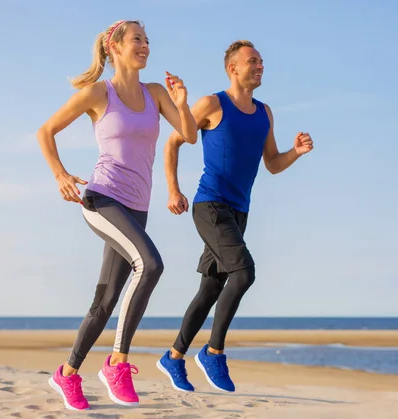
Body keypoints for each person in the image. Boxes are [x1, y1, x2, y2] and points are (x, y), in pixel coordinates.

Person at [36, 20, 197, 410]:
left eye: (147, 40)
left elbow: (190, 135)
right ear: (115, 48)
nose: (145, 45)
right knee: (151, 264)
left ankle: (68, 374)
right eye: (137, 39)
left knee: (105, 300)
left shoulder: (154, 93)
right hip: (102, 199)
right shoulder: (97, 93)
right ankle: (117, 362)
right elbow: (46, 131)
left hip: (137, 208)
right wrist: (59, 174)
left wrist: (180, 101)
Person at [156, 40, 314, 393]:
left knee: (211, 288)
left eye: (261, 61)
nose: (259, 66)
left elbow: (272, 164)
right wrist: (172, 190)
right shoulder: (213, 104)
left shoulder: (265, 113)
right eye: (252, 61)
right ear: (233, 68)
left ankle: (173, 356)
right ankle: (213, 352)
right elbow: (173, 142)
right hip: (209, 205)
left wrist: (296, 153)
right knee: (243, 272)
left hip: (239, 212)